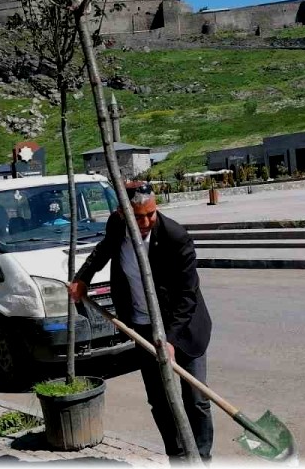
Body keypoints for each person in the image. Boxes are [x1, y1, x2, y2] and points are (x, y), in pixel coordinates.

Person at [68, 181, 213, 464]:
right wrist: (82, 278)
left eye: (151, 214)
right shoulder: (117, 225)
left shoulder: (175, 236)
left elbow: (187, 296)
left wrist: (169, 339)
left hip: (183, 329)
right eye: (138, 216)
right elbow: (103, 250)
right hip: (143, 327)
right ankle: (177, 457)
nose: (145, 222)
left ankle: (202, 458)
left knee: (196, 399)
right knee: (159, 400)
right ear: (123, 214)